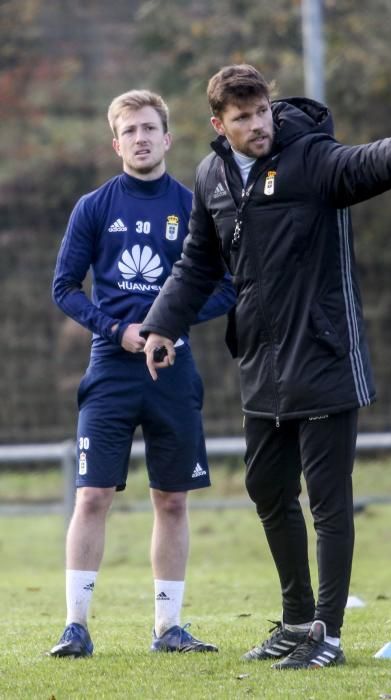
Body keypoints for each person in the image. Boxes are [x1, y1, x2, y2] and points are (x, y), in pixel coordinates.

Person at [139, 64, 391, 670]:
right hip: (262, 362)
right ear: (218, 124)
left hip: (325, 352)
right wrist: (161, 324)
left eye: (263, 112)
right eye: (243, 119)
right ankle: (295, 621)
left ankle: (327, 635)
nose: (258, 126)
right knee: (266, 487)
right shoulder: (212, 176)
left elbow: (360, 164)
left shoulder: (309, 157)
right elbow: (197, 264)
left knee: (329, 500)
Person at [49, 89, 235, 658]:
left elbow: (227, 286)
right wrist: (117, 330)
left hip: (174, 368)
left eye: (150, 128)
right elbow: (64, 289)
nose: (141, 138)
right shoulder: (94, 207)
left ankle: (168, 629)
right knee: (92, 495)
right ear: (116, 142)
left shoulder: (194, 205)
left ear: (168, 137)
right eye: (129, 130)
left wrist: (165, 325)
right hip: (110, 369)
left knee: (172, 500)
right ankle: (76, 626)